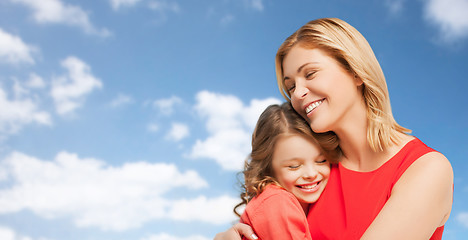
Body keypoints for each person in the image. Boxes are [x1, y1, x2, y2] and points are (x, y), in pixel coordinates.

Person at [215, 18, 453, 240]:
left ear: (356, 71)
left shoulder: (426, 169)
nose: (298, 94)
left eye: (310, 74)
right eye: (290, 87)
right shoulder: (316, 172)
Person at [234, 102, 339, 240]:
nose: (311, 174)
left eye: (321, 161)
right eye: (294, 166)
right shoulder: (277, 203)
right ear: (268, 167)